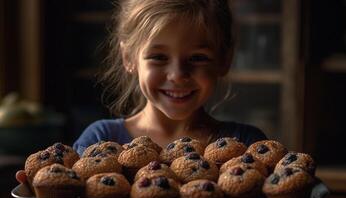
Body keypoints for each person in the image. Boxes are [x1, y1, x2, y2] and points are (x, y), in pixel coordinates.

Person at [16, 0, 266, 183]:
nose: (178, 74)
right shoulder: (101, 139)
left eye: (198, 57)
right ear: (129, 58)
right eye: (158, 57)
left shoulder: (246, 144)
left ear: (225, 59)